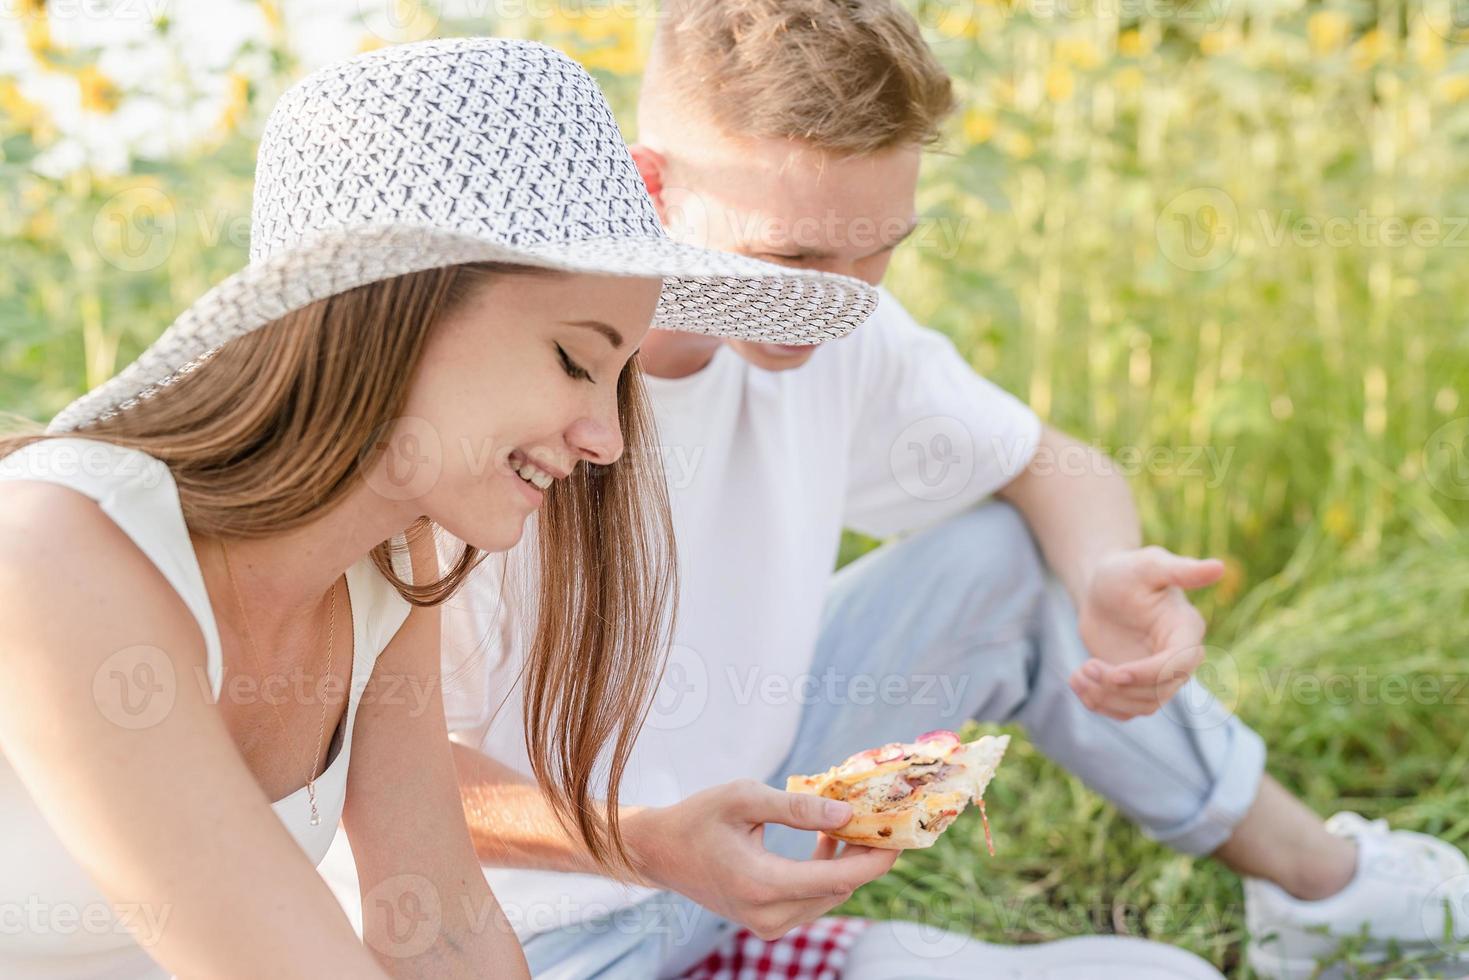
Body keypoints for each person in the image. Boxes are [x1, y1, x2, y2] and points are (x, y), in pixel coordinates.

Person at [392, 6, 1469, 979]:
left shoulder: (830, 318)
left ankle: (1315, 885)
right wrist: (649, 839)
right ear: (649, 185)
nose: (842, 304)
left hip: (729, 845)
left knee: (1007, 556)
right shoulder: (500, 389)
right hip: (543, 933)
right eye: (795, 256)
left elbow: (1046, 460)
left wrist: (1101, 573)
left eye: (881, 253)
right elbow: (378, 765)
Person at [0, 36, 878, 980]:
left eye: (618, 380)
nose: (606, 440)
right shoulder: (62, 550)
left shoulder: (386, 563)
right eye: (575, 360)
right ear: (394, 314)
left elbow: (441, 927)